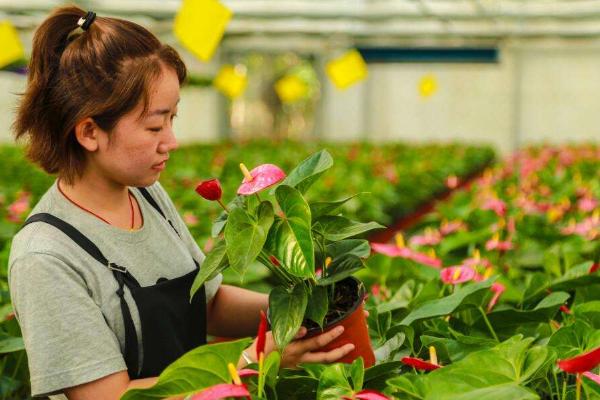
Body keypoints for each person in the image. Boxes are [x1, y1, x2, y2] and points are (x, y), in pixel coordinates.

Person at [8, 6, 355, 400]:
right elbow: (105, 396)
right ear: (90, 132)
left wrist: (301, 311)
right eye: (155, 125)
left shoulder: (147, 195)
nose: (171, 141)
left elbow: (206, 303)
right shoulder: (46, 256)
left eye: (173, 119)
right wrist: (255, 360)